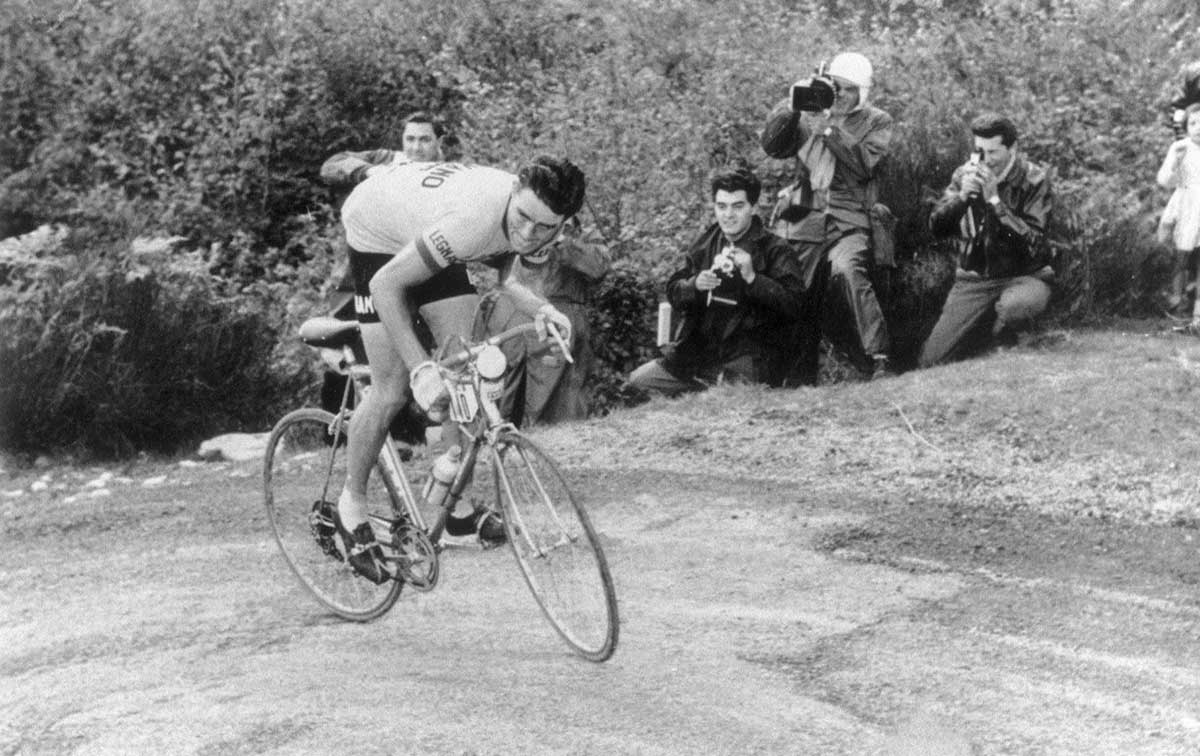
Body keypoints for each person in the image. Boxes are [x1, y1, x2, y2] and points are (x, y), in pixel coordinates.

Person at [336, 156, 583, 583]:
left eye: (544, 228)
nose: (529, 234)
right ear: (514, 191)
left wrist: (541, 309)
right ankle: (350, 509)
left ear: (563, 223)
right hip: (376, 232)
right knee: (392, 389)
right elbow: (385, 286)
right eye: (523, 218)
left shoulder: (530, 220)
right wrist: (420, 370)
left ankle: (453, 508)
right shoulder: (473, 219)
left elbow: (505, 277)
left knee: (464, 365)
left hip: (425, 224)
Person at [761, 51, 896, 382]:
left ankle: (877, 356)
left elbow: (864, 165)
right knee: (786, 282)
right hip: (806, 215)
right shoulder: (809, 112)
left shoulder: (877, 121)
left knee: (847, 270)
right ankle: (778, 367)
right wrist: (792, 107)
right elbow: (773, 147)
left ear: (862, 92)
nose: (839, 95)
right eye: (834, 86)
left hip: (850, 219)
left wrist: (829, 129)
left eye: (848, 89)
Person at [628, 164, 803, 395]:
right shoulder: (704, 244)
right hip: (697, 355)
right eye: (721, 206)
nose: (728, 215)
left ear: (753, 207)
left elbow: (796, 306)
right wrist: (694, 285)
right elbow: (673, 290)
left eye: (737, 206)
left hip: (750, 357)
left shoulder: (776, 249)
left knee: (721, 401)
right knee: (638, 381)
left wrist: (754, 279)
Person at [918, 113, 1053, 367]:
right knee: (931, 360)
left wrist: (995, 203)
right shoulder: (964, 174)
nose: (986, 160)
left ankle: (1011, 336)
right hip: (975, 278)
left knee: (1016, 306)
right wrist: (961, 198)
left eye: (993, 152)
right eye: (980, 151)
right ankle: (983, 333)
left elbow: (1033, 243)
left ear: (1012, 148)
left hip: (1024, 274)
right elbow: (936, 228)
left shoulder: (1034, 179)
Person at [476, 219, 610, 425]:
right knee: (499, 397)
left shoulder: (582, 232)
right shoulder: (514, 217)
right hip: (511, 314)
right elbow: (483, 251)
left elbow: (599, 266)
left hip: (560, 318)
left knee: (560, 412)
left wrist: (560, 238)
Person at [1156, 103, 1200, 323]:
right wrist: (1175, 163)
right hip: (1185, 207)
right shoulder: (1180, 147)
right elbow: (1164, 180)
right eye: (1193, 123)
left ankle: (1198, 315)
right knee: (1181, 258)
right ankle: (1178, 305)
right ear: (1186, 126)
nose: (1199, 127)